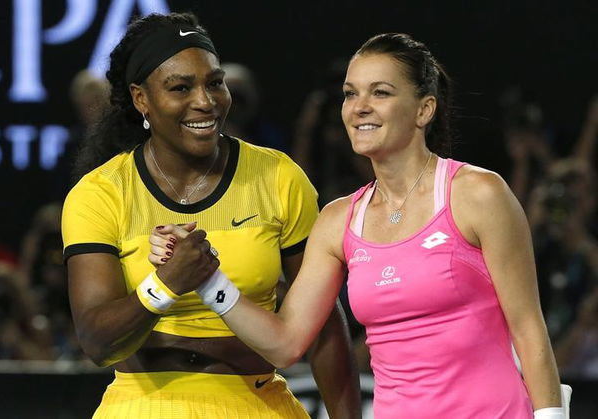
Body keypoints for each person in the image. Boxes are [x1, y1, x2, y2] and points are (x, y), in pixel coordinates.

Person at [152, 33, 566, 418]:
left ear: (424, 109)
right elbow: (285, 343)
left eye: (380, 93)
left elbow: (529, 330)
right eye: (350, 94)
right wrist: (208, 280)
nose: (359, 107)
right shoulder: (337, 220)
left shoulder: (478, 194)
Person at [61, 12, 360, 419]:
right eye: (180, 87)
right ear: (140, 98)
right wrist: (166, 284)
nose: (206, 101)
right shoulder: (100, 193)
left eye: (214, 83)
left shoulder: (279, 176)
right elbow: (98, 342)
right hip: (141, 406)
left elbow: (324, 323)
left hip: (256, 403)